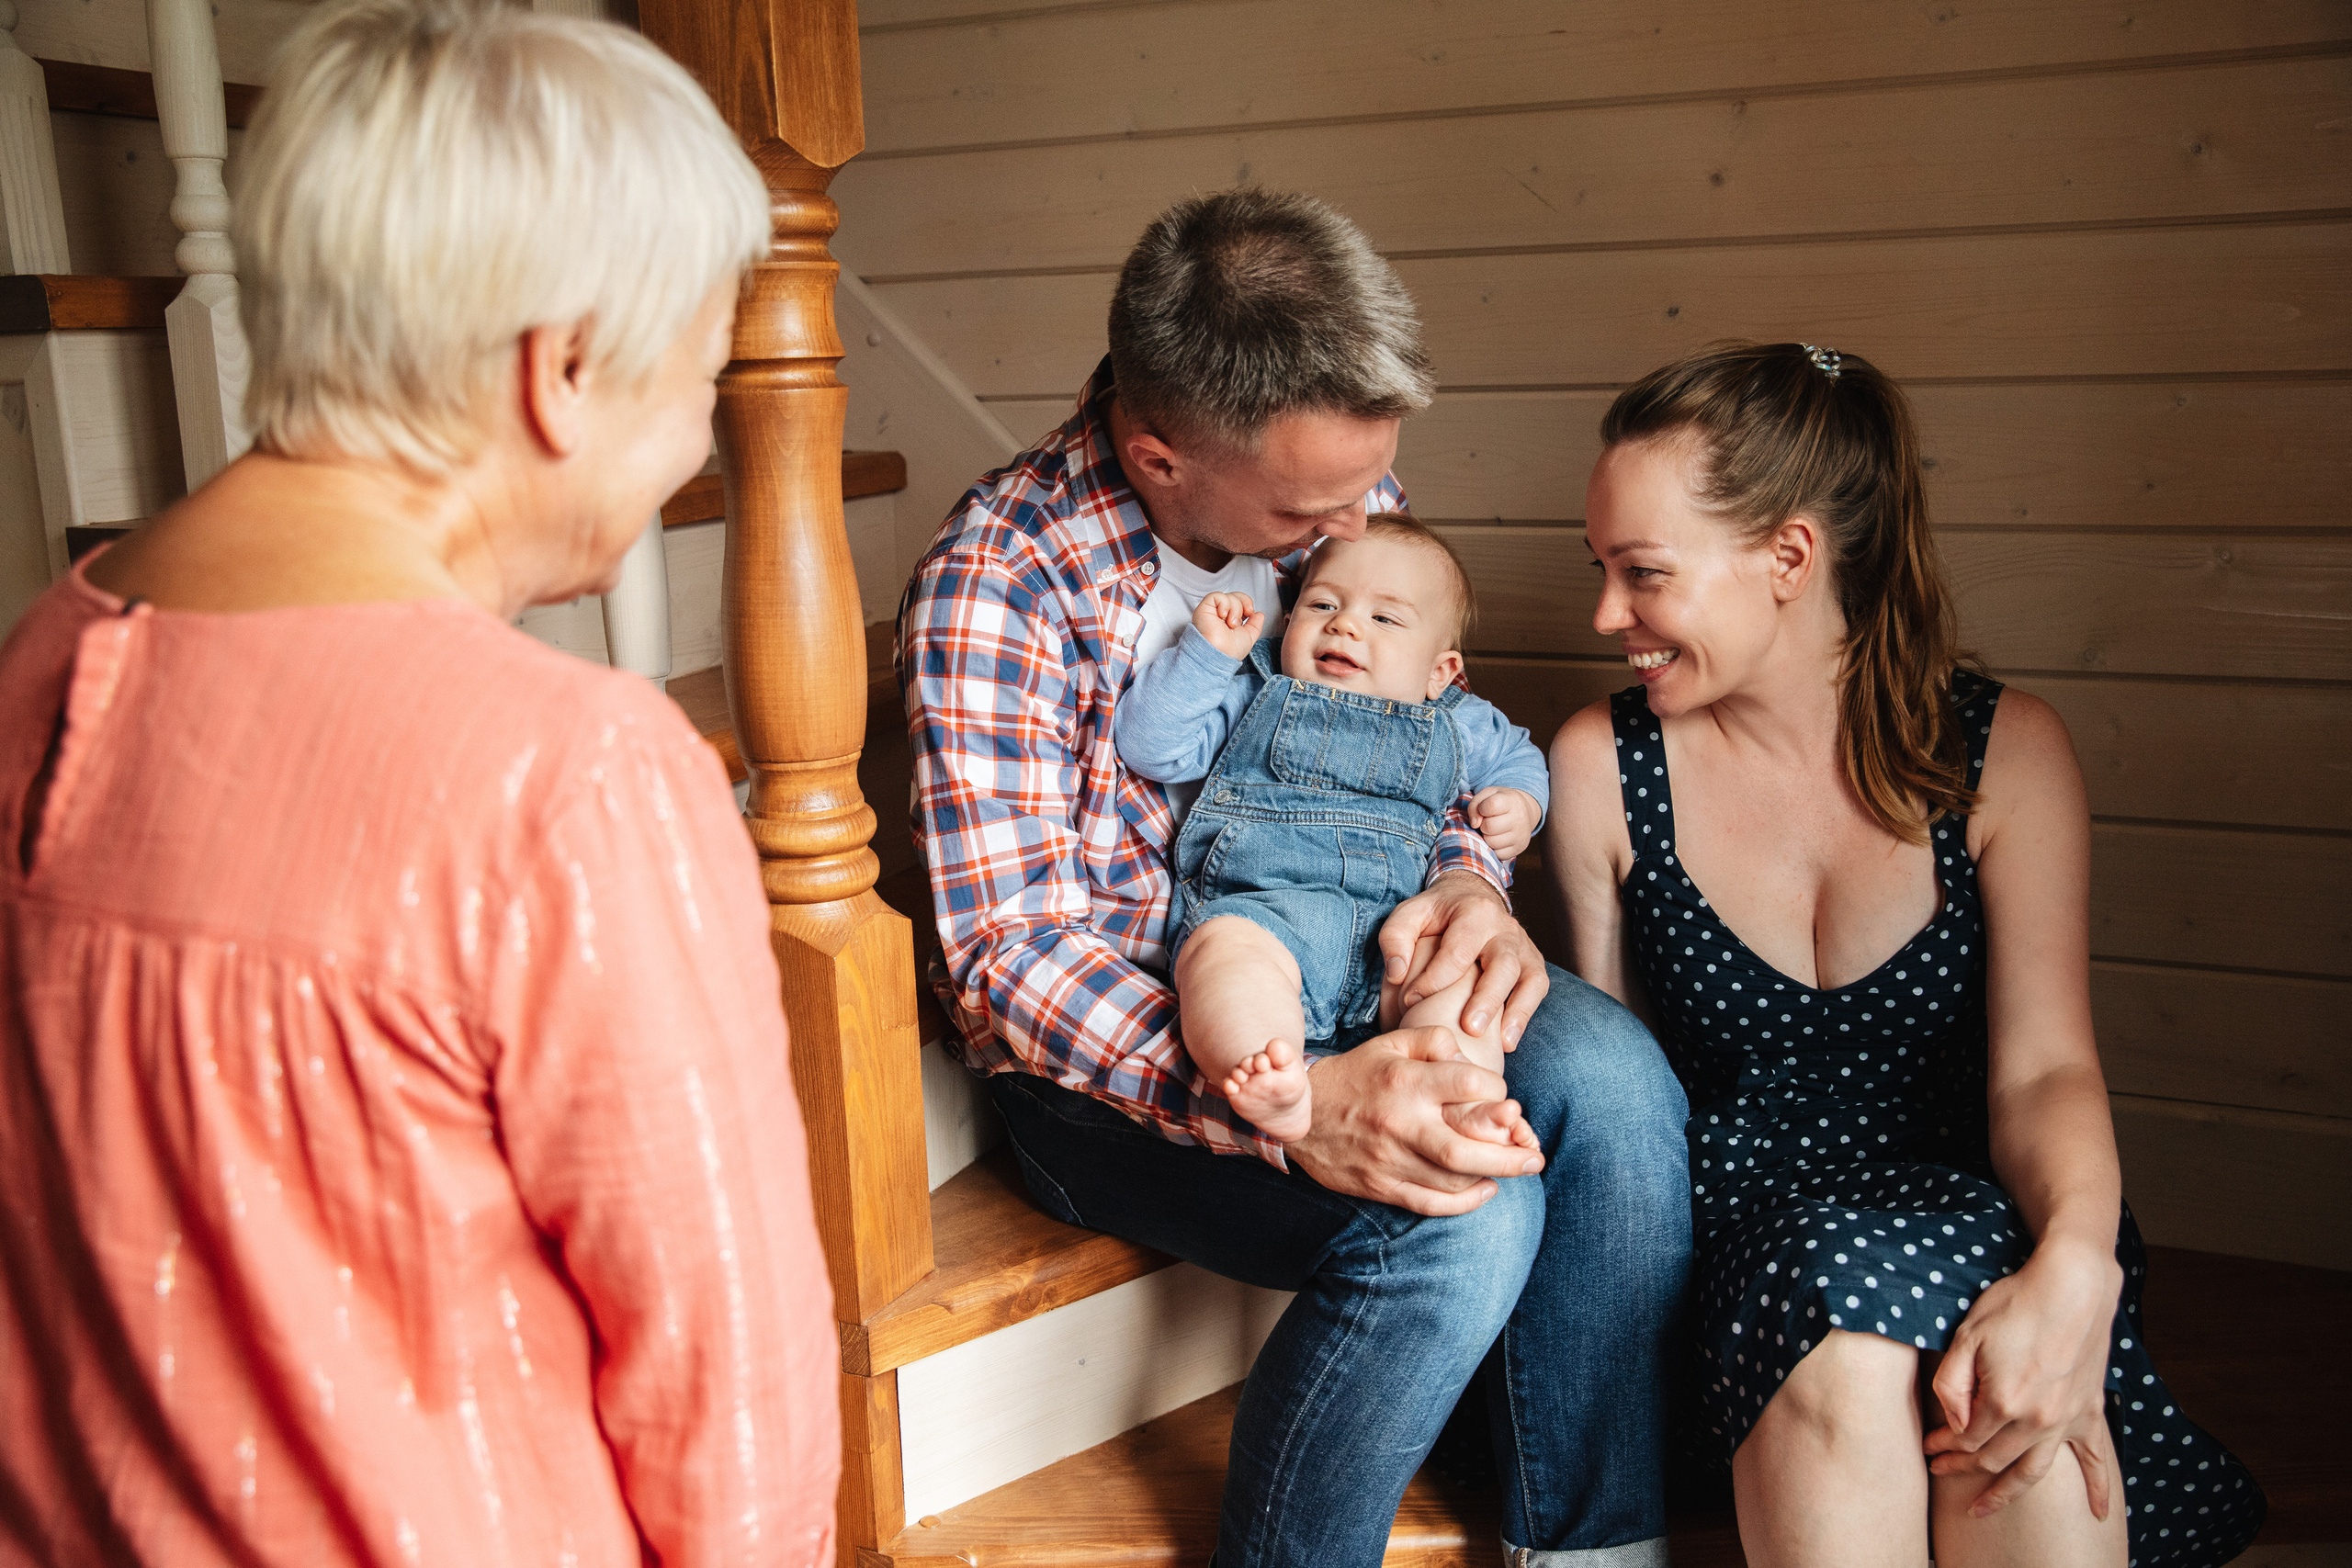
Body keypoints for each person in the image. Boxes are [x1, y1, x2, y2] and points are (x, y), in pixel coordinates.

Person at [0, 4, 840, 1563]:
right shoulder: (570, 778)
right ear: (566, 370)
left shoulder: (42, 656)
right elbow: (731, 1408)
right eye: (698, 386)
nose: (690, 448)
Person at [899, 187, 1690, 1567]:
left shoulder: (1334, 487)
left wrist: (1468, 886)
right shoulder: (996, 589)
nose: (1356, 523)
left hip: (1361, 939)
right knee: (1458, 1213)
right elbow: (1008, 960)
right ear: (1159, 455)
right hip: (1120, 1056)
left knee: (1617, 1086)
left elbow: (1410, 721)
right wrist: (1293, 1100)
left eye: (1369, 488)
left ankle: (1584, 1546)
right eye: (1315, 507)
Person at [1544, 340, 2264, 1567]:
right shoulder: (1601, 770)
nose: (1608, 614)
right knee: (1846, 1339)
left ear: (1788, 557)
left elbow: (2042, 1070)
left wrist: (2075, 1267)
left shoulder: (2005, 755)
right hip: (1730, 1254)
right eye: (1602, 570)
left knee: (2005, 1385)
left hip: (1969, 1217)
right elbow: (1619, 1115)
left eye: (1643, 573)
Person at [1114, 515, 1544, 1144]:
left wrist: (1521, 803)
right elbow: (1153, 747)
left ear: (1439, 671)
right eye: (1322, 603)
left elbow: (1520, 755)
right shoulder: (1256, 690)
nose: (1344, 624)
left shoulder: (1460, 720)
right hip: (1266, 915)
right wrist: (1206, 659)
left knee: (1458, 983)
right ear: (1288, 622)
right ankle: (1270, 1078)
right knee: (1222, 962)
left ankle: (1457, 1098)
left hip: (1400, 938)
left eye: (1385, 619)